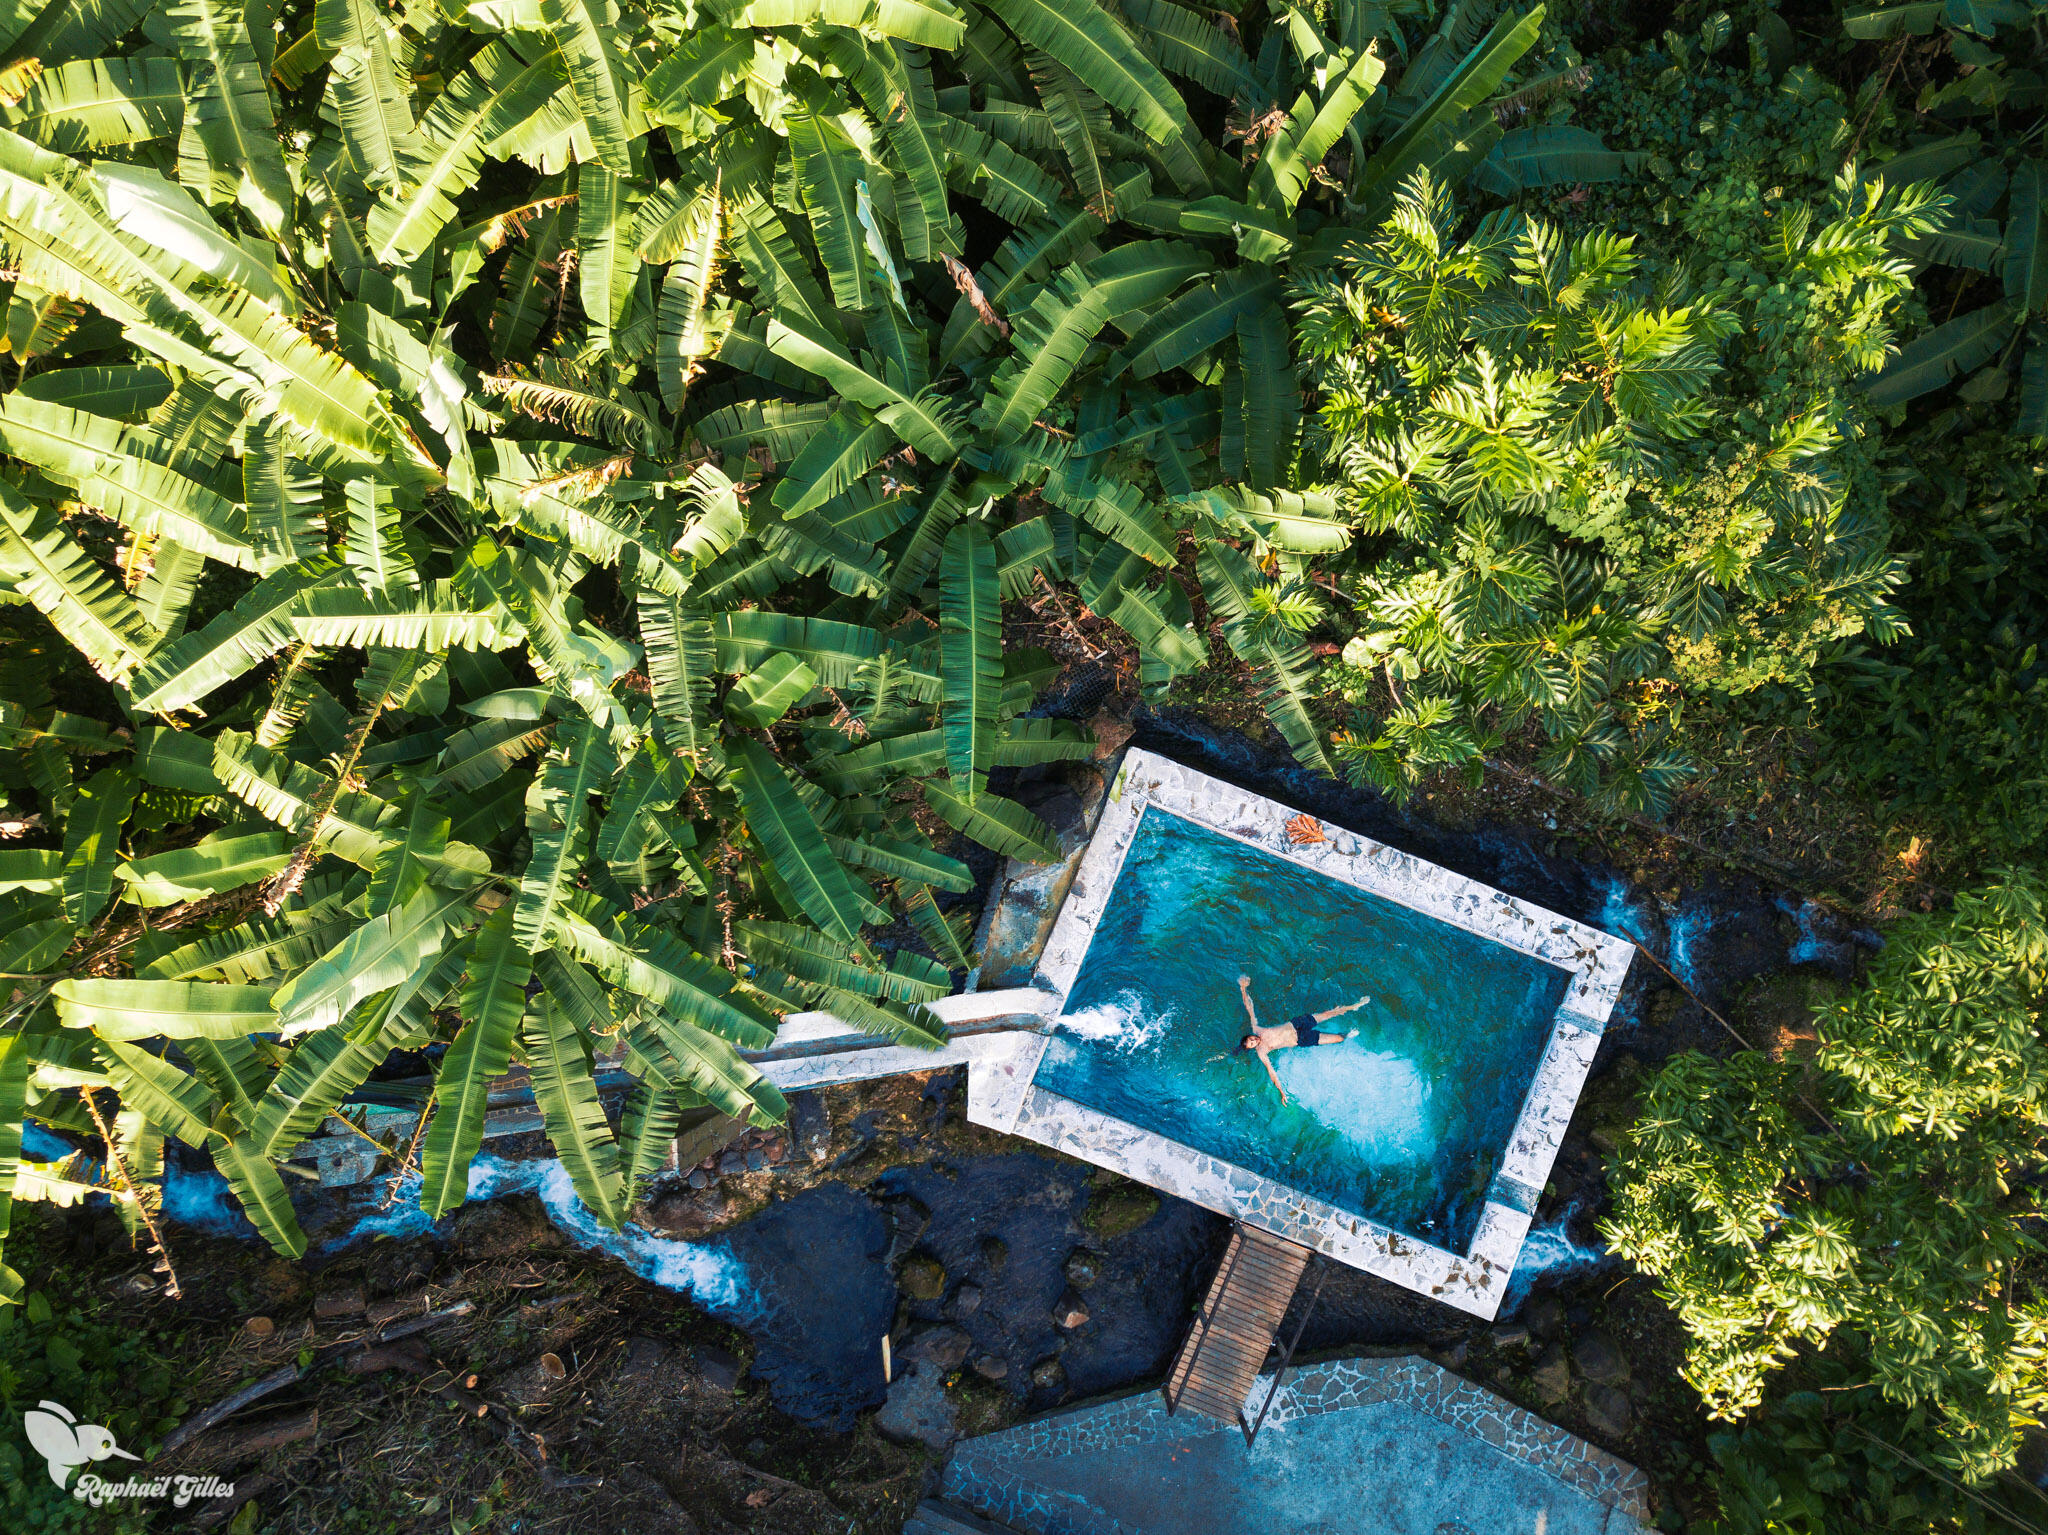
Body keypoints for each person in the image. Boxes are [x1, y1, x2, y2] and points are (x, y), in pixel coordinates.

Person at [1234, 975, 1369, 1106]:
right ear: (1253, 1048)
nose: (1255, 1040)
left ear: (1250, 1035)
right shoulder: (1262, 1051)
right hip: (1301, 1039)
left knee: (1328, 1014)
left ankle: (1354, 1006)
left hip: (1298, 1024)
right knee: (1338, 1039)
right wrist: (1281, 1092)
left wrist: (1243, 988)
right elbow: (1271, 1071)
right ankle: (1346, 1035)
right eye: (1253, 1044)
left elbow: (1249, 1008)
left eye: (1251, 1039)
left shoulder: (1257, 1029)